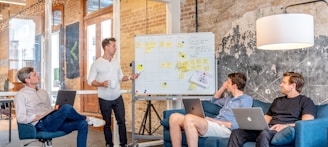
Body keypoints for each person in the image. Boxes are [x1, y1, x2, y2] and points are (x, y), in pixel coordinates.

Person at [14, 67, 105, 147]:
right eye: (34, 74)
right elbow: (21, 118)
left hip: (52, 121)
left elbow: (48, 109)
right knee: (66, 108)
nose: (38, 75)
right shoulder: (21, 95)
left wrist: (55, 110)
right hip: (41, 124)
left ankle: (85, 120)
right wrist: (39, 116)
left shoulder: (43, 92)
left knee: (82, 124)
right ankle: (87, 119)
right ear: (27, 80)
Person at [227, 72, 317, 147]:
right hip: (268, 130)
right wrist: (254, 124)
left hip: (282, 131)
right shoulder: (277, 101)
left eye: (284, 82)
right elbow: (266, 119)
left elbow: (307, 123)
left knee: (264, 134)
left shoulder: (305, 101)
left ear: (293, 85)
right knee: (237, 133)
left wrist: (285, 126)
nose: (280, 84)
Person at [169, 72, 253, 147]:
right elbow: (214, 100)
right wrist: (223, 87)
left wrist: (215, 121)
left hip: (225, 129)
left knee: (189, 118)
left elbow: (237, 124)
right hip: (215, 125)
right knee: (174, 117)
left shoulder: (245, 100)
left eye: (228, 82)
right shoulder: (229, 98)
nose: (225, 84)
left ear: (234, 86)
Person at [88, 37, 139, 147]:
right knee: (107, 123)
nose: (115, 48)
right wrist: (102, 84)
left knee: (121, 121)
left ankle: (123, 144)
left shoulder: (116, 62)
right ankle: (109, 144)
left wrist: (131, 77)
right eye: (113, 46)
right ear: (106, 47)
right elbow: (90, 81)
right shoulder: (97, 63)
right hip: (104, 99)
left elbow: (121, 77)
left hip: (117, 97)